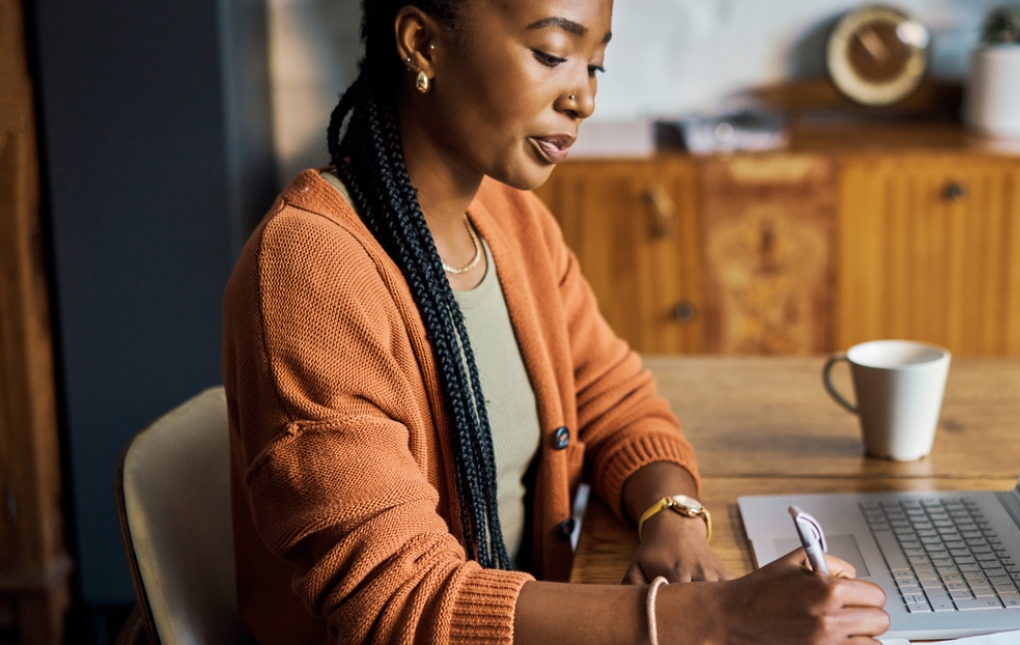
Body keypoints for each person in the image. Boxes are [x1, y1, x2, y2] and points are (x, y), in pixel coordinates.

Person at [222, 1, 890, 644]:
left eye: (594, 66)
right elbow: (398, 601)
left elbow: (617, 399)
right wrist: (713, 617)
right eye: (552, 54)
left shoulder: (512, 221)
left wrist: (673, 518)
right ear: (423, 45)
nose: (584, 100)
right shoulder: (311, 267)